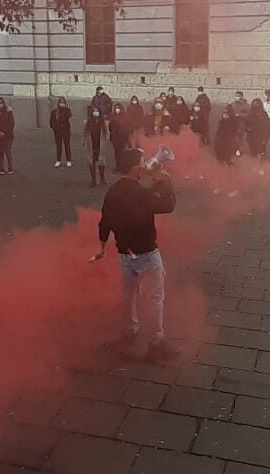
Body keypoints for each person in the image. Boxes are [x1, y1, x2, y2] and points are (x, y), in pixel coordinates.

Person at [93, 147, 178, 363]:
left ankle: (131, 330)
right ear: (134, 168)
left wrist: (102, 246)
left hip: (124, 253)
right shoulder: (140, 193)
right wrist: (165, 179)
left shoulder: (113, 191)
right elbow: (168, 205)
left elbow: (104, 221)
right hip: (147, 253)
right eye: (142, 161)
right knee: (155, 298)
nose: (145, 164)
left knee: (129, 295)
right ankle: (155, 342)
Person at [83, 105, 112, 187]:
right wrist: (84, 142)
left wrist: (107, 142)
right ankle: (93, 179)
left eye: (97, 111)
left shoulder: (104, 123)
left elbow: (107, 134)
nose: (96, 112)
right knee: (91, 161)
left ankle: (102, 178)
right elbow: (85, 134)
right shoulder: (87, 122)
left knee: (101, 160)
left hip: (100, 144)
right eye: (94, 111)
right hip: (91, 143)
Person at [0, 97, 15, 175]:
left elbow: (11, 123)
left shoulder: (8, 112)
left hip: (8, 135)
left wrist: (4, 132)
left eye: (0, 103)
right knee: (0, 152)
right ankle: (2, 168)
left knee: (8, 151)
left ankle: (10, 167)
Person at [50, 96, 73, 168]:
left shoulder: (67, 110)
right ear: (58, 103)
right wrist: (55, 128)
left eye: (63, 103)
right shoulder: (54, 112)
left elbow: (68, 116)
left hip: (66, 131)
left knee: (67, 145)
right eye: (61, 103)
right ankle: (58, 160)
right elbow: (51, 122)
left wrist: (64, 110)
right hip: (57, 132)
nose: (62, 104)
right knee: (58, 146)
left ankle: (69, 160)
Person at [110, 103, 132, 173]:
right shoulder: (113, 117)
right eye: (116, 108)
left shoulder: (125, 118)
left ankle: (123, 167)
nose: (117, 110)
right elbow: (110, 127)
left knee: (123, 153)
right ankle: (118, 166)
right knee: (117, 153)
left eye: (118, 108)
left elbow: (128, 128)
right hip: (115, 138)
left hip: (123, 138)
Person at [231, 91, 250, 156]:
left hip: (241, 124)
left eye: (238, 96)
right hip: (233, 123)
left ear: (241, 97)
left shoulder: (246, 105)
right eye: (236, 96)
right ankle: (233, 148)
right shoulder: (232, 104)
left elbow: (248, 115)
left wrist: (239, 115)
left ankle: (238, 149)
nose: (236, 97)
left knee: (239, 137)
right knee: (233, 136)